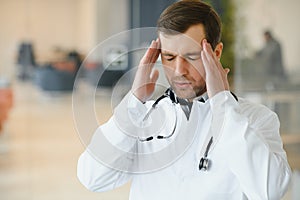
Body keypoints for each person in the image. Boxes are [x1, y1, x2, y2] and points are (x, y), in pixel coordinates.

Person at [77, 1, 291, 199]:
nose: (179, 71)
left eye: (191, 57)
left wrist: (223, 106)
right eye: (169, 57)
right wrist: (134, 103)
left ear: (216, 53)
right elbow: (92, 177)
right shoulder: (141, 118)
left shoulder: (256, 118)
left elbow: (270, 191)